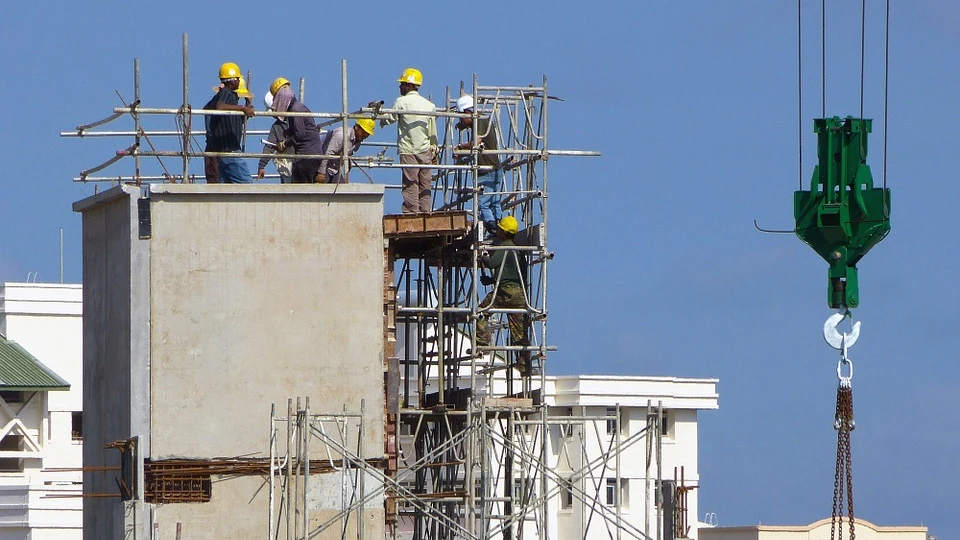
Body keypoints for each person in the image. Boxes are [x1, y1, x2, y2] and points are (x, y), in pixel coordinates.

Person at [475, 215, 530, 374]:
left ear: (504, 232)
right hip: (519, 294)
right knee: (519, 332)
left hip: (504, 293)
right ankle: (524, 364)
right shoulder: (518, 250)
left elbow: (492, 263)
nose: (497, 230)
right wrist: (492, 279)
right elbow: (515, 273)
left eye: (499, 228)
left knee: (481, 312)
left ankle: (483, 343)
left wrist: (483, 256)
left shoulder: (504, 246)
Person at [379, 68, 437, 213]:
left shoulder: (401, 102)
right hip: (426, 150)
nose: (400, 87)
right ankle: (425, 214)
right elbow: (432, 130)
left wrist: (377, 114)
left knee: (410, 184)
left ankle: (412, 215)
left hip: (408, 150)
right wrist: (434, 149)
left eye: (402, 84)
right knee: (425, 184)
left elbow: (390, 118)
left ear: (409, 85)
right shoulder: (429, 105)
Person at [455, 95, 503, 237]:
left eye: (461, 116)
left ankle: (492, 230)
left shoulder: (480, 120)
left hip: (486, 169)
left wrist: (460, 147)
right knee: (494, 202)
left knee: (483, 203)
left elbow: (476, 142)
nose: (460, 119)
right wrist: (464, 124)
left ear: (468, 112)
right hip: (492, 168)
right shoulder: (481, 120)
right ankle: (499, 227)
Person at [204, 62, 255, 183]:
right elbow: (220, 107)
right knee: (248, 187)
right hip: (230, 150)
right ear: (232, 80)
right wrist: (243, 108)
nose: (238, 81)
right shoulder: (226, 93)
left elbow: (236, 121)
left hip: (223, 151)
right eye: (237, 78)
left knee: (226, 188)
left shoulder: (228, 100)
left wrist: (246, 108)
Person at [271, 83, 324, 183]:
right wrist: (288, 133)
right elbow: (301, 129)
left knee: (299, 191)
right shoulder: (297, 108)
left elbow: (299, 134)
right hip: (311, 154)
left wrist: (284, 144)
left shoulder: (296, 110)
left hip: (306, 156)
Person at [316, 119, 375, 183]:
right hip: (321, 165)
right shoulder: (342, 135)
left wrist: (348, 167)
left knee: (342, 191)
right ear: (357, 127)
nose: (365, 135)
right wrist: (321, 173)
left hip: (334, 170)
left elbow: (347, 155)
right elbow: (328, 153)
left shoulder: (357, 142)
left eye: (367, 134)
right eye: (364, 132)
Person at [257, 91, 294, 183]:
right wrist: (262, 165)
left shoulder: (298, 118)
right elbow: (269, 146)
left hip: (303, 163)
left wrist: (284, 144)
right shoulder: (277, 127)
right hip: (288, 167)